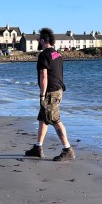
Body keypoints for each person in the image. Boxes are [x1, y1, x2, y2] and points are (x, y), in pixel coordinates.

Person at [24, 27, 75, 162]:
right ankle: (38, 147)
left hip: (50, 92)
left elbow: (44, 76)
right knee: (43, 119)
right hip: (58, 89)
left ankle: (67, 149)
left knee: (55, 119)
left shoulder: (44, 55)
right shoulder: (57, 54)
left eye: (39, 40)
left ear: (42, 40)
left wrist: (42, 95)